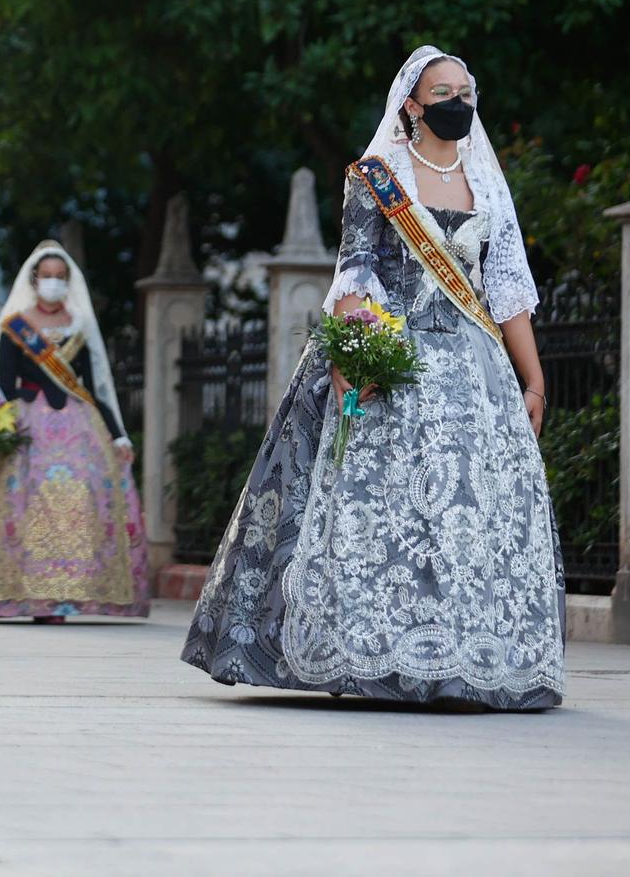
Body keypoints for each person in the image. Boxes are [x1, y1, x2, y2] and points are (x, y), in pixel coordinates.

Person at [183, 46, 566, 710]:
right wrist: (358, 356)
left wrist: (532, 381)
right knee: (384, 513)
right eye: (443, 90)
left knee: (468, 517)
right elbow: (357, 273)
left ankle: (468, 660)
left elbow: (506, 291)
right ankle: (377, 658)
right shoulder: (378, 176)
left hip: (476, 374)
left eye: (467, 90)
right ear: (412, 105)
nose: (459, 101)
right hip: (393, 354)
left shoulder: (486, 182)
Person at [0, 242, 149, 622]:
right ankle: (17, 596)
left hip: (79, 425)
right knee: (24, 504)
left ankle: (66, 596)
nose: (53, 283)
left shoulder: (79, 325)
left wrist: (118, 435)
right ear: (34, 280)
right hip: (30, 425)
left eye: (60, 277)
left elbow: (96, 386)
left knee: (82, 501)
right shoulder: (15, 325)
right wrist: (4, 422)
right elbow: (2, 380)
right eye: (47, 276)